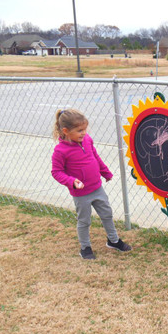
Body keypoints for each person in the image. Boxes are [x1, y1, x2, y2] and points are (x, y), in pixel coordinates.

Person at [51, 109, 131, 260]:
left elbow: (95, 157)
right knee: (84, 221)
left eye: (85, 129)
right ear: (66, 131)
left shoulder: (87, 140)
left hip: (97, 188)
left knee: (107, 214)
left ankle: (113, 240)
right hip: (81, 195)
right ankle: (85, 247)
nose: (83, 133)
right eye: (79, 130)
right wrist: (71, 182)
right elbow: (56, 172)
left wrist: (105, 171)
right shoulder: (60, 151)